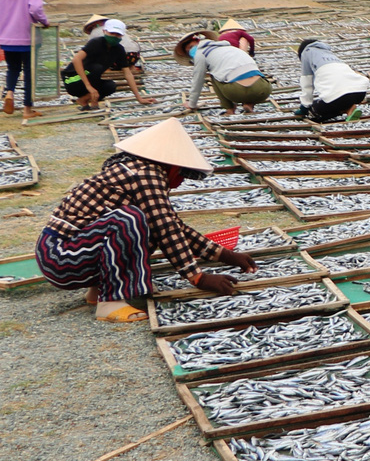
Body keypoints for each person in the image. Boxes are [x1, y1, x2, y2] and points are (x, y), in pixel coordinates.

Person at [36, 117, 253, 322]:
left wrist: (227, 256)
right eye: (181, 174)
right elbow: (166, 227)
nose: (178, 181)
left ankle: (99, 290)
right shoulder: (145, 174)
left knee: (146, 227)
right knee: (130, 218)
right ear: (173, 166)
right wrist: (198, 277)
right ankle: (109, 302)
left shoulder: (137, 169)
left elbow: (175, 227)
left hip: (68, 253)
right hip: (61, 258)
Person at [63, 19, 153, 111]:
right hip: (72, 80)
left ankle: (83, 100)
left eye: (118, 34)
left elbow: (127, 73)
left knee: (110, 86)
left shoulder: (119, 49)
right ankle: (91, 96)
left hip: (91, 78)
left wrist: (139, 98)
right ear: (104, 31)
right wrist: (88, 86)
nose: (115, 36)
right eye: (112, 33)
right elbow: (76, 59)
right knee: (97, 68)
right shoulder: (96, 43)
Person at [0, 0, 49, 117]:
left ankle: (9, 93)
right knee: (29, 72)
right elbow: (35, 9)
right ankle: (27, 109)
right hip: (27, 38)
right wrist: (45, 22)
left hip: (6, 38)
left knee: (12, 68)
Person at [176, 31, 271, 114]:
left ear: (198, 42)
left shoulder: (201, 54)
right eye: (189, 51)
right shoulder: (231, 48)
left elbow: (198, 80)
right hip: (263, 90)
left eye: (191, 47)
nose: (191, 51)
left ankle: (229, 109)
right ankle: (249, 104)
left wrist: (192, 104)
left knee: (214, 75)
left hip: (237, 92)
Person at [295, 38, 370, 123]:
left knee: (313, 114)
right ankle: (350, 108)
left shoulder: (306, 53)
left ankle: (343, 108)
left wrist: (304, 107)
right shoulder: (328, 53)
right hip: (359, 92)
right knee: (338, 98)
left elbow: (307, 83)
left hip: (340, 97)